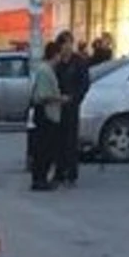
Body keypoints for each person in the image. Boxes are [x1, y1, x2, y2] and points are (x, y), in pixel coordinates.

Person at [26, 42, 67, 191]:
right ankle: (40, 179)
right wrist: (60, 99)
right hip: (46, 113)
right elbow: (43, 95)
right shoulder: (45, 71)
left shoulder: (46, 70)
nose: (60, 58)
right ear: (55, 55)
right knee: (45, 149)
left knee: (45, 148)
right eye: (59, 54)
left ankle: (41, 178)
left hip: (47, 112)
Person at [55, 32, 91, 184]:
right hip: (57, 104)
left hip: (71, 105)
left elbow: (84, 84)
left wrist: (74, 98)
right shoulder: (57, 62)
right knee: (57, 140)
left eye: (70, 43)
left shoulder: (78, 62)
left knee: (70, 140)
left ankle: (71, 173)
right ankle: (59, 172)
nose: (68, 46)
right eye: (65, 43)